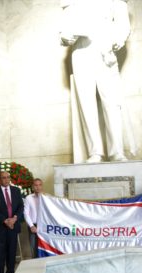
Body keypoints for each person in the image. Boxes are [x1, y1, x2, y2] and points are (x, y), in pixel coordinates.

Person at [60, 0, 131, 163]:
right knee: (87, 104)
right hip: (81, 54)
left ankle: (117, 151)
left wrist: (118, 39)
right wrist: (68, 36)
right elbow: (63, 33)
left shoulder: (115, 2)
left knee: (112, 103)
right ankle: (95, 152)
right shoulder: (73, 4)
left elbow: (123, 25)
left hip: (105, 52)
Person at [0, 171, 24, 273]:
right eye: (3, 178)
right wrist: (4, 220)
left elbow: (20, 206)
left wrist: (14, 219)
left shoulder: (16, 190)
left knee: (12, 252)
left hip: (13, 226)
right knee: (0, 253)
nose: (6, 180)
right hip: (1, 227)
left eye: (8, 177)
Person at [24, 179, 43, 259]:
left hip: (43, 226)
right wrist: (31, 226)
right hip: (33, 226)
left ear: (42, 186)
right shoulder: (28, 198)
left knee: (43, 248)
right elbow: (26, 213)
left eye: (39, 185)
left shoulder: (46, 197)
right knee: (34, 248)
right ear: (32, 187)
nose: (38, 187)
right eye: (36, 185)